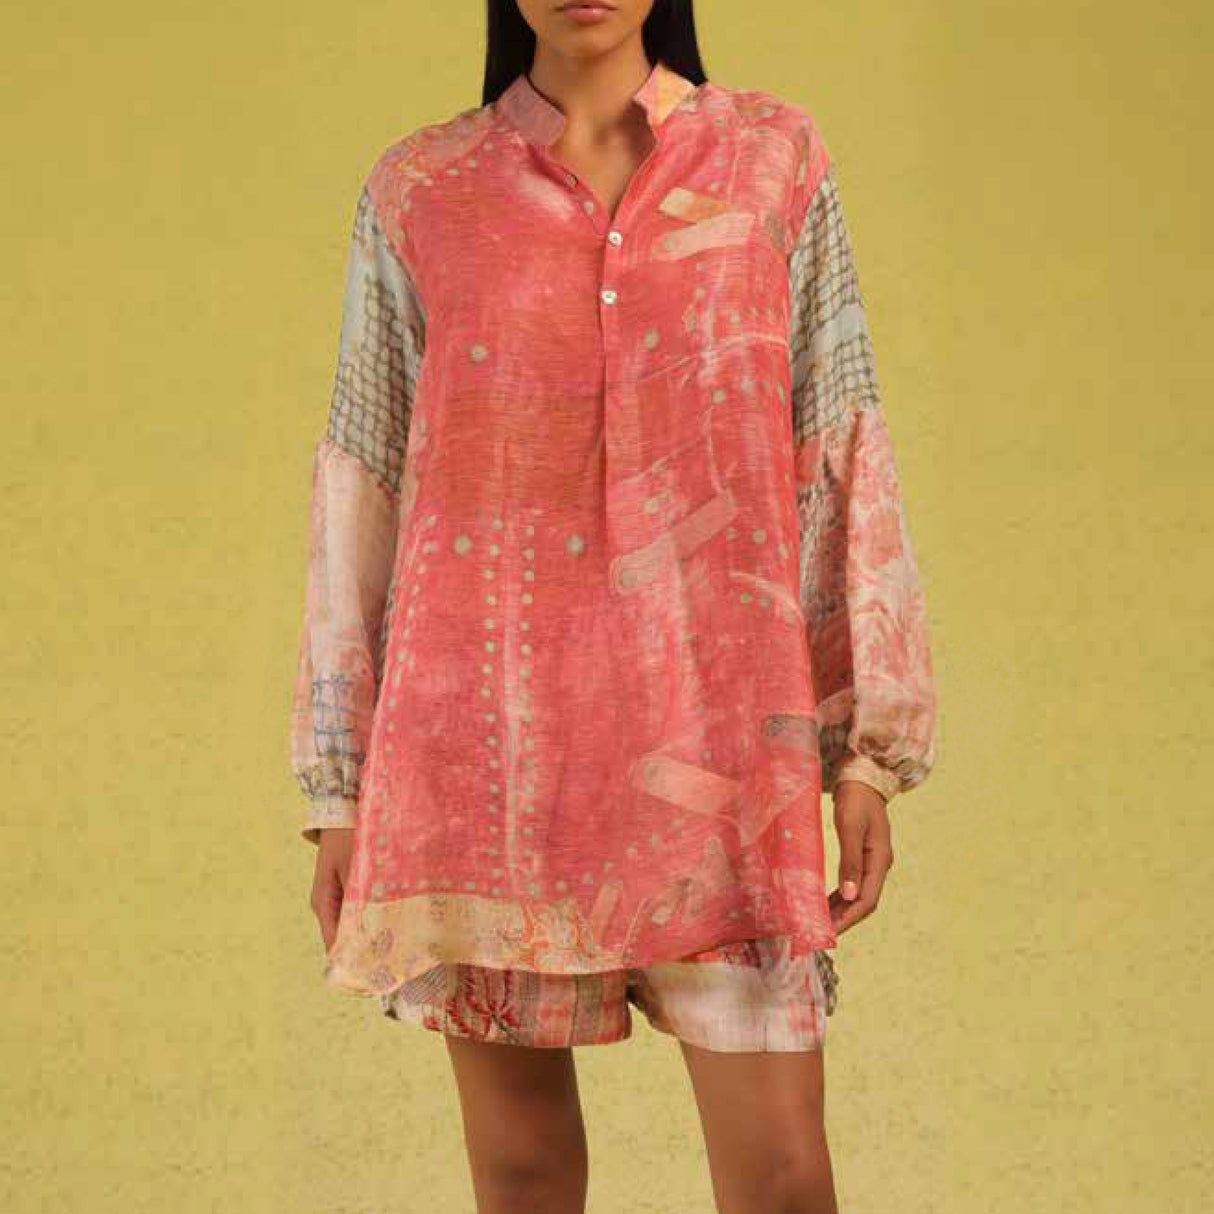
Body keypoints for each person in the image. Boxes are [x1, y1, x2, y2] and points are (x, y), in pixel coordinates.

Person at [289, 1, 937, 1209]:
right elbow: (363, 479)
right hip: (484, 758)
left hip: (724, 756)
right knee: (523, 1175)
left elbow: (833, 439)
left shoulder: (770, 159)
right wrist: (339, 787)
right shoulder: (423, 189)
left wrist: (864, 746)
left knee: (781, 1176)